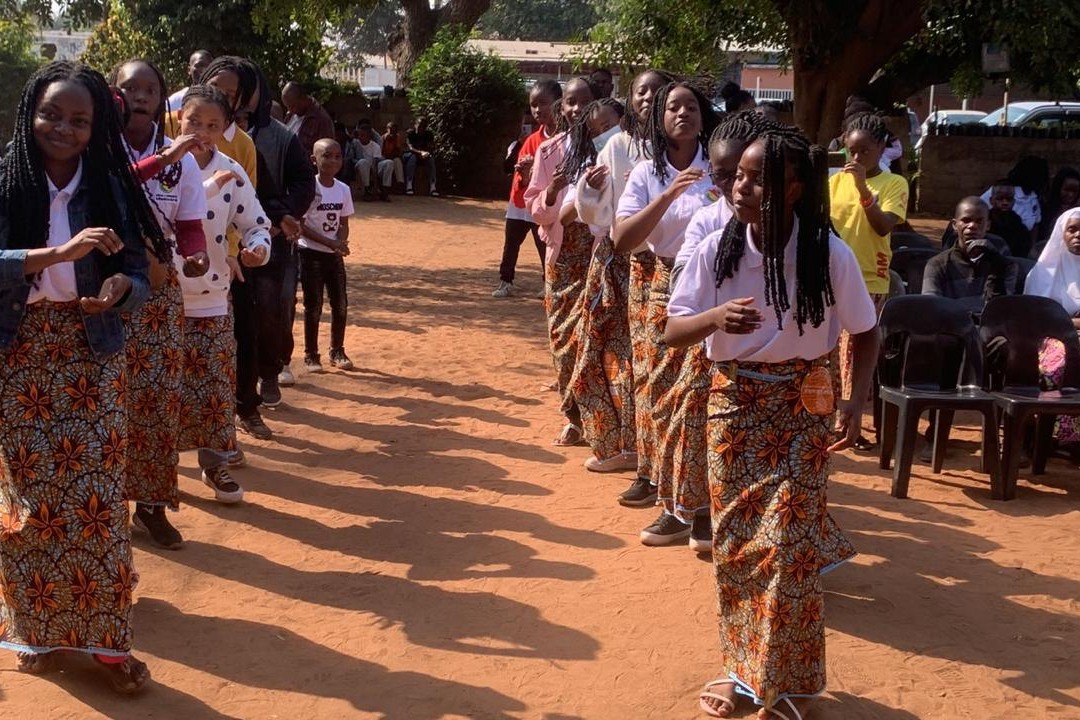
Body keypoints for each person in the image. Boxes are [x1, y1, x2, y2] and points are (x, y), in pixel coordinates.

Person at [666, 126, 878, 720]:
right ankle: (743, 671)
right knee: (737, 548)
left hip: (804, 408)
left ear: (794, 189)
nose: (742, 186)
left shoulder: (827, 253)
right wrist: (714, 317)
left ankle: (790, 686)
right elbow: (672, 329)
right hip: (733, 407)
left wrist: (854, 401)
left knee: (788, 546)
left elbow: (866, 331)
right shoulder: (716, 249)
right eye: (739, 175)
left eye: (759, 179)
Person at [0, 60, 163, 693]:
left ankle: (108, 646)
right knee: (33, 505)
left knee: (97, 500)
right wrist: (56, 254)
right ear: (30, 114)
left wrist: (122, 288)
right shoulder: (7, 178)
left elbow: (139, 275)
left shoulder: (108, 187)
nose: (62, 128)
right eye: (51, 114)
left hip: (92, 353)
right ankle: (35, 630)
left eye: (78, 119)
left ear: (97, 128)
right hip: (20, 357)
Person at [612, 80, 720, 546]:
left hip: (714, 286)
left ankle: (698, 510)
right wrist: (668, 195)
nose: (683, 113)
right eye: (673, 107)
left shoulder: (721, 167)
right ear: (659, 118)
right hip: (663, 286)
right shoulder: (646, 173)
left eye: (691, 106)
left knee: (697, 401)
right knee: (661, 396)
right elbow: (622, 239)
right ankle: (671, 497)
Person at [112, 58, 211, 549]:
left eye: (150, 88)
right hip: (104, 290)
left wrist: (195, 255)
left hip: (159, 291)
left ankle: (150, 507)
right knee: (109, 400)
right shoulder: (97, 148)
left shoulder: (183, 160)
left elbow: (189, 224)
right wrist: (166, 157)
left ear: (160, 97)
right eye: (130, 87)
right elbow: (118, 182)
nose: (141, 95)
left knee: (157, 398)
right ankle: (109, 509)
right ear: (114, 95)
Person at [574, 69, 671, 504]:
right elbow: (600, 214)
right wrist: (590, 192)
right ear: (630, 99)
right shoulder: (617, 147)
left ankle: (661, 464)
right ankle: (625, 448)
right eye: (640, 91)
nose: (648, 97)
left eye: (658, 91)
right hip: (623, 264)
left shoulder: (689, 150)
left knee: (658, 367)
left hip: (673, 266)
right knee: (611, 357)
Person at [174, 84, 271, 505]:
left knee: (214, 387)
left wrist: (257, 249)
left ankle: (214, 465)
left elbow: (256, 223)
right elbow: (162, 215)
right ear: (179, 120)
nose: (201, 132)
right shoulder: (160, 167)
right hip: (162, 298)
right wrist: (207, 187)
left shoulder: (232, 171)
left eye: (212, 125)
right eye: (194, 121)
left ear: (225, 128)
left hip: (213, 297)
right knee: (162, 389)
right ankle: (158, 472)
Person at [558, 97, 638, 473]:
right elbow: (592, 216)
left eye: (608, 124)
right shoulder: (612, 152)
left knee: (641, 362)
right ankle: (615, 442)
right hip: (612, 263)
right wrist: (588, 192)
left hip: (657, 269)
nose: (603, 133)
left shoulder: (682, 157)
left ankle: (639, 449)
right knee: (602, 354)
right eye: (596, 130)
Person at [239, 60, 316, 424]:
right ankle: (240, 387)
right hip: (225, 245)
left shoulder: (281, 137)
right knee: (236, 316)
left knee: (274, 308)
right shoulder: (207, 132)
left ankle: (270, 372)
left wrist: (280, 218)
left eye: (246, 89)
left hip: (272, 238)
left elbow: (303, 183)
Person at [524, 76, 597, 447]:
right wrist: (552, 191)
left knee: (598, 339)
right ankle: (574, 416)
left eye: (584, 101)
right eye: (570, 101)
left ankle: (603, 421)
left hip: (603, 254)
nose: (576, 109)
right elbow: (535, 208)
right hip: (563, 256)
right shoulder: (549, 151)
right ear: (561, 107)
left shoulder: (613, 147)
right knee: (563, 339)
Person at [828, 111, 908, 451]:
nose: (857, 158)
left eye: (865, 151)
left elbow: (883, 225)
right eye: (852, 151)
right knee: (831, 352)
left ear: (881, 147)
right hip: (831, 275)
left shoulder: (894, 184)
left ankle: (851, 421)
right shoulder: (834, 183)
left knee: (855, 351)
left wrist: (863, 188)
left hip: (869, 278)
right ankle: (831, 417)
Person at [493, 80, 561, 298]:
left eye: (544, 103)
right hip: (521, 200)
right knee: (511, 243)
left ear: (559, 103)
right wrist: (525, 173)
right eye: (534, 105)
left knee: (545, 243)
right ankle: (505, 281)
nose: (538, 109)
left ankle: (548, 282)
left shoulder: (565, 139)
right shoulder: (531, 140)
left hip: (545, 202)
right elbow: (521, 176)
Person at [1026, 208, 1080, 450]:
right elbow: (1036, 318)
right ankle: (1049, 435)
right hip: (1049, 338)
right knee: (1059, 361)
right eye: (1072, 229)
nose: (1078, 235)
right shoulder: (1042, 272)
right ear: (1061, 233)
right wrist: (1072, 323)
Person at [299, 139, 354, 372]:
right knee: (313, 306)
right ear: (314, 160)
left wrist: (340, 242)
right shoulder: (309, 188)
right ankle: (311, 354)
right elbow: (300, 225)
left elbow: (343, 222)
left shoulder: (343, 189)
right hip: (310, 254)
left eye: (337, 156)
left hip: (333, 256)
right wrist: (329, 242)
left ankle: (337, 350)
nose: (333, 161)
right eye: (327, 156)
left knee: (340, 304)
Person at [924, 197, 1017, 309]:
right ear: (954, 225)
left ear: (988, 225)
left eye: (979, 221)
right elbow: (932, 308)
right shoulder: (937, 265)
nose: (972, 226)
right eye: (966, 220)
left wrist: (996, 267)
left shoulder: (1005, 266)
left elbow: (1001, 309)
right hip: (951, 320)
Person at [282, 80, 335, 156]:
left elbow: (327, 154)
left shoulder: (321, 120)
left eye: (293, 106)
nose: (290, 110)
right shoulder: (290, 114)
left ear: (303, 98)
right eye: (287, 106)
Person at [987, 181, 1032, 258]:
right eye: (1000, 198)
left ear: (1014, 201)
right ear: (991, 200)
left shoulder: (1019, 226)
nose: (1005, 202)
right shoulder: (983, 222)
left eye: (1009, 199)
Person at [353, 123, 393, 201]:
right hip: (359, 167)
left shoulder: (375, 146)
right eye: (359, 135)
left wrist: (375, 181)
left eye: (363, 135)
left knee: (389, 163)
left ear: (369, 136)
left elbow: (375, 162)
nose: (360, 137)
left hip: (373, 167)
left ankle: (385, 190)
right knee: (363, 162)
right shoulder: (355, 143)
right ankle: (367, 190)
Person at [1042, 167, 1080, 242]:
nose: (1071, 195)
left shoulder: (1077, 212)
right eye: (1067, 190)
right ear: (1058, 188)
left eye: (1075, 191)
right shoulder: (1045, 210)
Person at [405, 117, 438, 196]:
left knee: (431, 159)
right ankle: (409, 184)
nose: (421, 128)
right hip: (411, 154)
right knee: (412, 158)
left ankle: (433, 186)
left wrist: (426, 153)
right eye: (420, 126)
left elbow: (431, 146)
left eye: (424, 126)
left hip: (423, 155)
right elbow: (411, 148)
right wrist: (420, 153)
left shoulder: (428, 134)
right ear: (415, 125)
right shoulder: (410, 133)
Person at [381, 121, 406, 189]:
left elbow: (397, 151)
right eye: (391, 130)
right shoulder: (383, 138)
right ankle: (385, 186)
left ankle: (400, 183)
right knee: (388, 162)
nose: (392, 132)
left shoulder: (397, 137)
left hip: (392, 157)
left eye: (394, 131)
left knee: (397, 161)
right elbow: (381, 152)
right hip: (384, 158)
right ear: (387, 129)